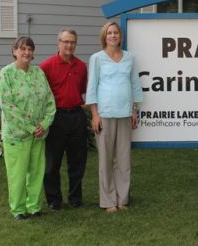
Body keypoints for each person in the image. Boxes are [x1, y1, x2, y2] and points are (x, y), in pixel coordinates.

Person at [86, 22, 144, 213]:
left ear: (120, 36)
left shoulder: (129, 58)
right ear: (104, 36)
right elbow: (92, 87)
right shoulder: (97, 58)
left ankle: (122, 198)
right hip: (105, 114)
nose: (112, 36)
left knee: (123, 159)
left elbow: (135, 83)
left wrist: (135, 110)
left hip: (125, 113)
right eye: (109, 33)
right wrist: (95, 115)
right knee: (106, 159)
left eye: (115, 33)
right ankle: (108, 200)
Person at [0, 37, 56, 220]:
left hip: (38, 134)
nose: (26, 52)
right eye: (22, 49)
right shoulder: (6, 74)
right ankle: (18, 209)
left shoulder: (39, 73)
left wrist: (44, 125)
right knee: (18, 174)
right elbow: (8, 106)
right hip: (17, 135)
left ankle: (34, 206)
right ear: (14, 51)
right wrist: (31, 127)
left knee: (37, 172)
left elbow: (50, 102)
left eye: (30, 49)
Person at [40, 29, 88, 210]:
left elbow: (82, 89)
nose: (69, 45)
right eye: (66, 41)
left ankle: (75, 199)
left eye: (73, 42)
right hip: (56, 118)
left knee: (77, 161)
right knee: (53, 162)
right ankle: (54, 200)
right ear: (58, 43)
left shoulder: (81, 66)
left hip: (77, 116)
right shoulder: (46, 66)